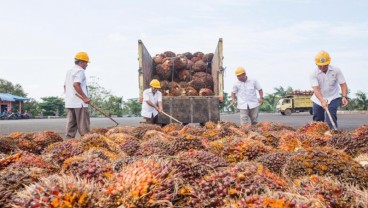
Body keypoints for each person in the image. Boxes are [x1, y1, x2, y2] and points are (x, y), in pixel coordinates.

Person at [310, 50, 348, 129]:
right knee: (318, 120)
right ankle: (318, 138)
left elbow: (343, 84)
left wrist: (344, 96)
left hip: (333, 97)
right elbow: (316, 89)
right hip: (318, 99)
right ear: (316, 64)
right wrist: (322, 100)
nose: (323, 67)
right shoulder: (313, 73)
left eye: (325, 65)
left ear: (328, 63)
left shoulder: (336, 70)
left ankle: (332, 136)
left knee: (330, 120)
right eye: (320, 66)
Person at [64, 52, 91, 138]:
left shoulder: (69, 71)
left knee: (71, 126)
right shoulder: (80, 71)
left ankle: (68, 143)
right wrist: (85, 97)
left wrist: (69, 96)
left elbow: (65, 86)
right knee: (84, 128)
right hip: (80, 103)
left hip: (70, 102)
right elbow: (76, 84)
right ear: (81, 62)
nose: (87, 65)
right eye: (86, 63)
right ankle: (86, 143)